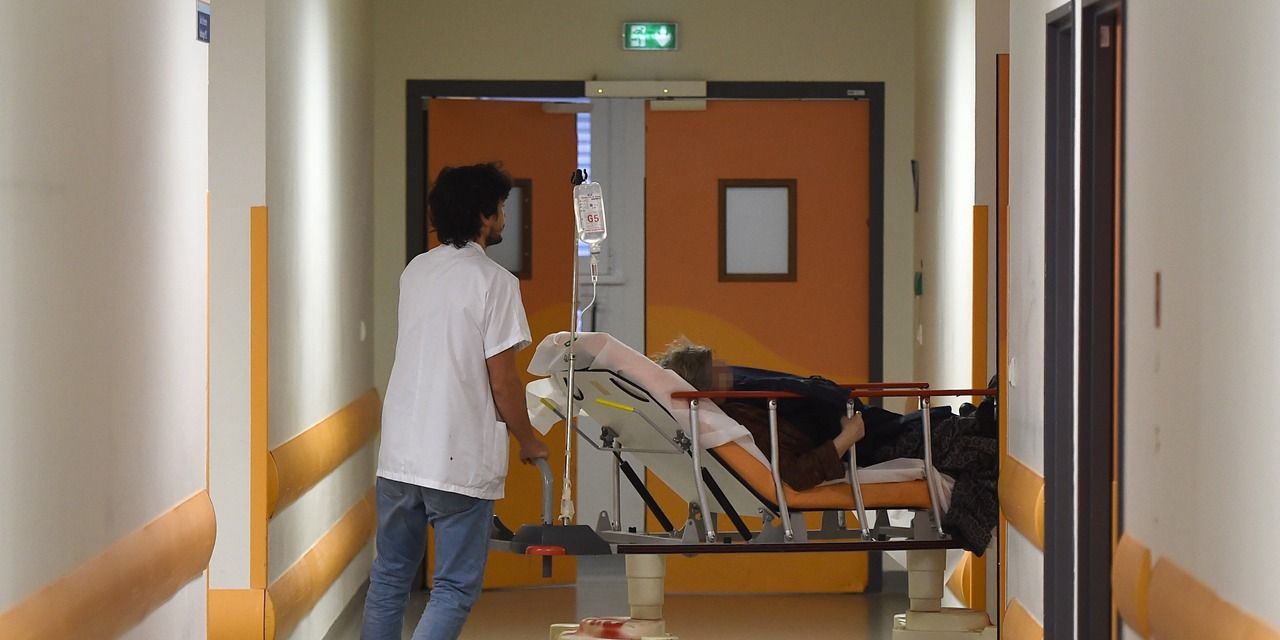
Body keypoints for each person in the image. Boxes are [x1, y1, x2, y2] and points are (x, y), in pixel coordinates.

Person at [363, 163, 549, 640]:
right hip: (456, 458)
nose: (505, 217)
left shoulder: (416, 271)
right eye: (501, 207)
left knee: (389, 578)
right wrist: (529, 440)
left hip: (400, 455)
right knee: (453, 588)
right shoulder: (495, 282)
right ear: (483, 216)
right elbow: (503, 382)